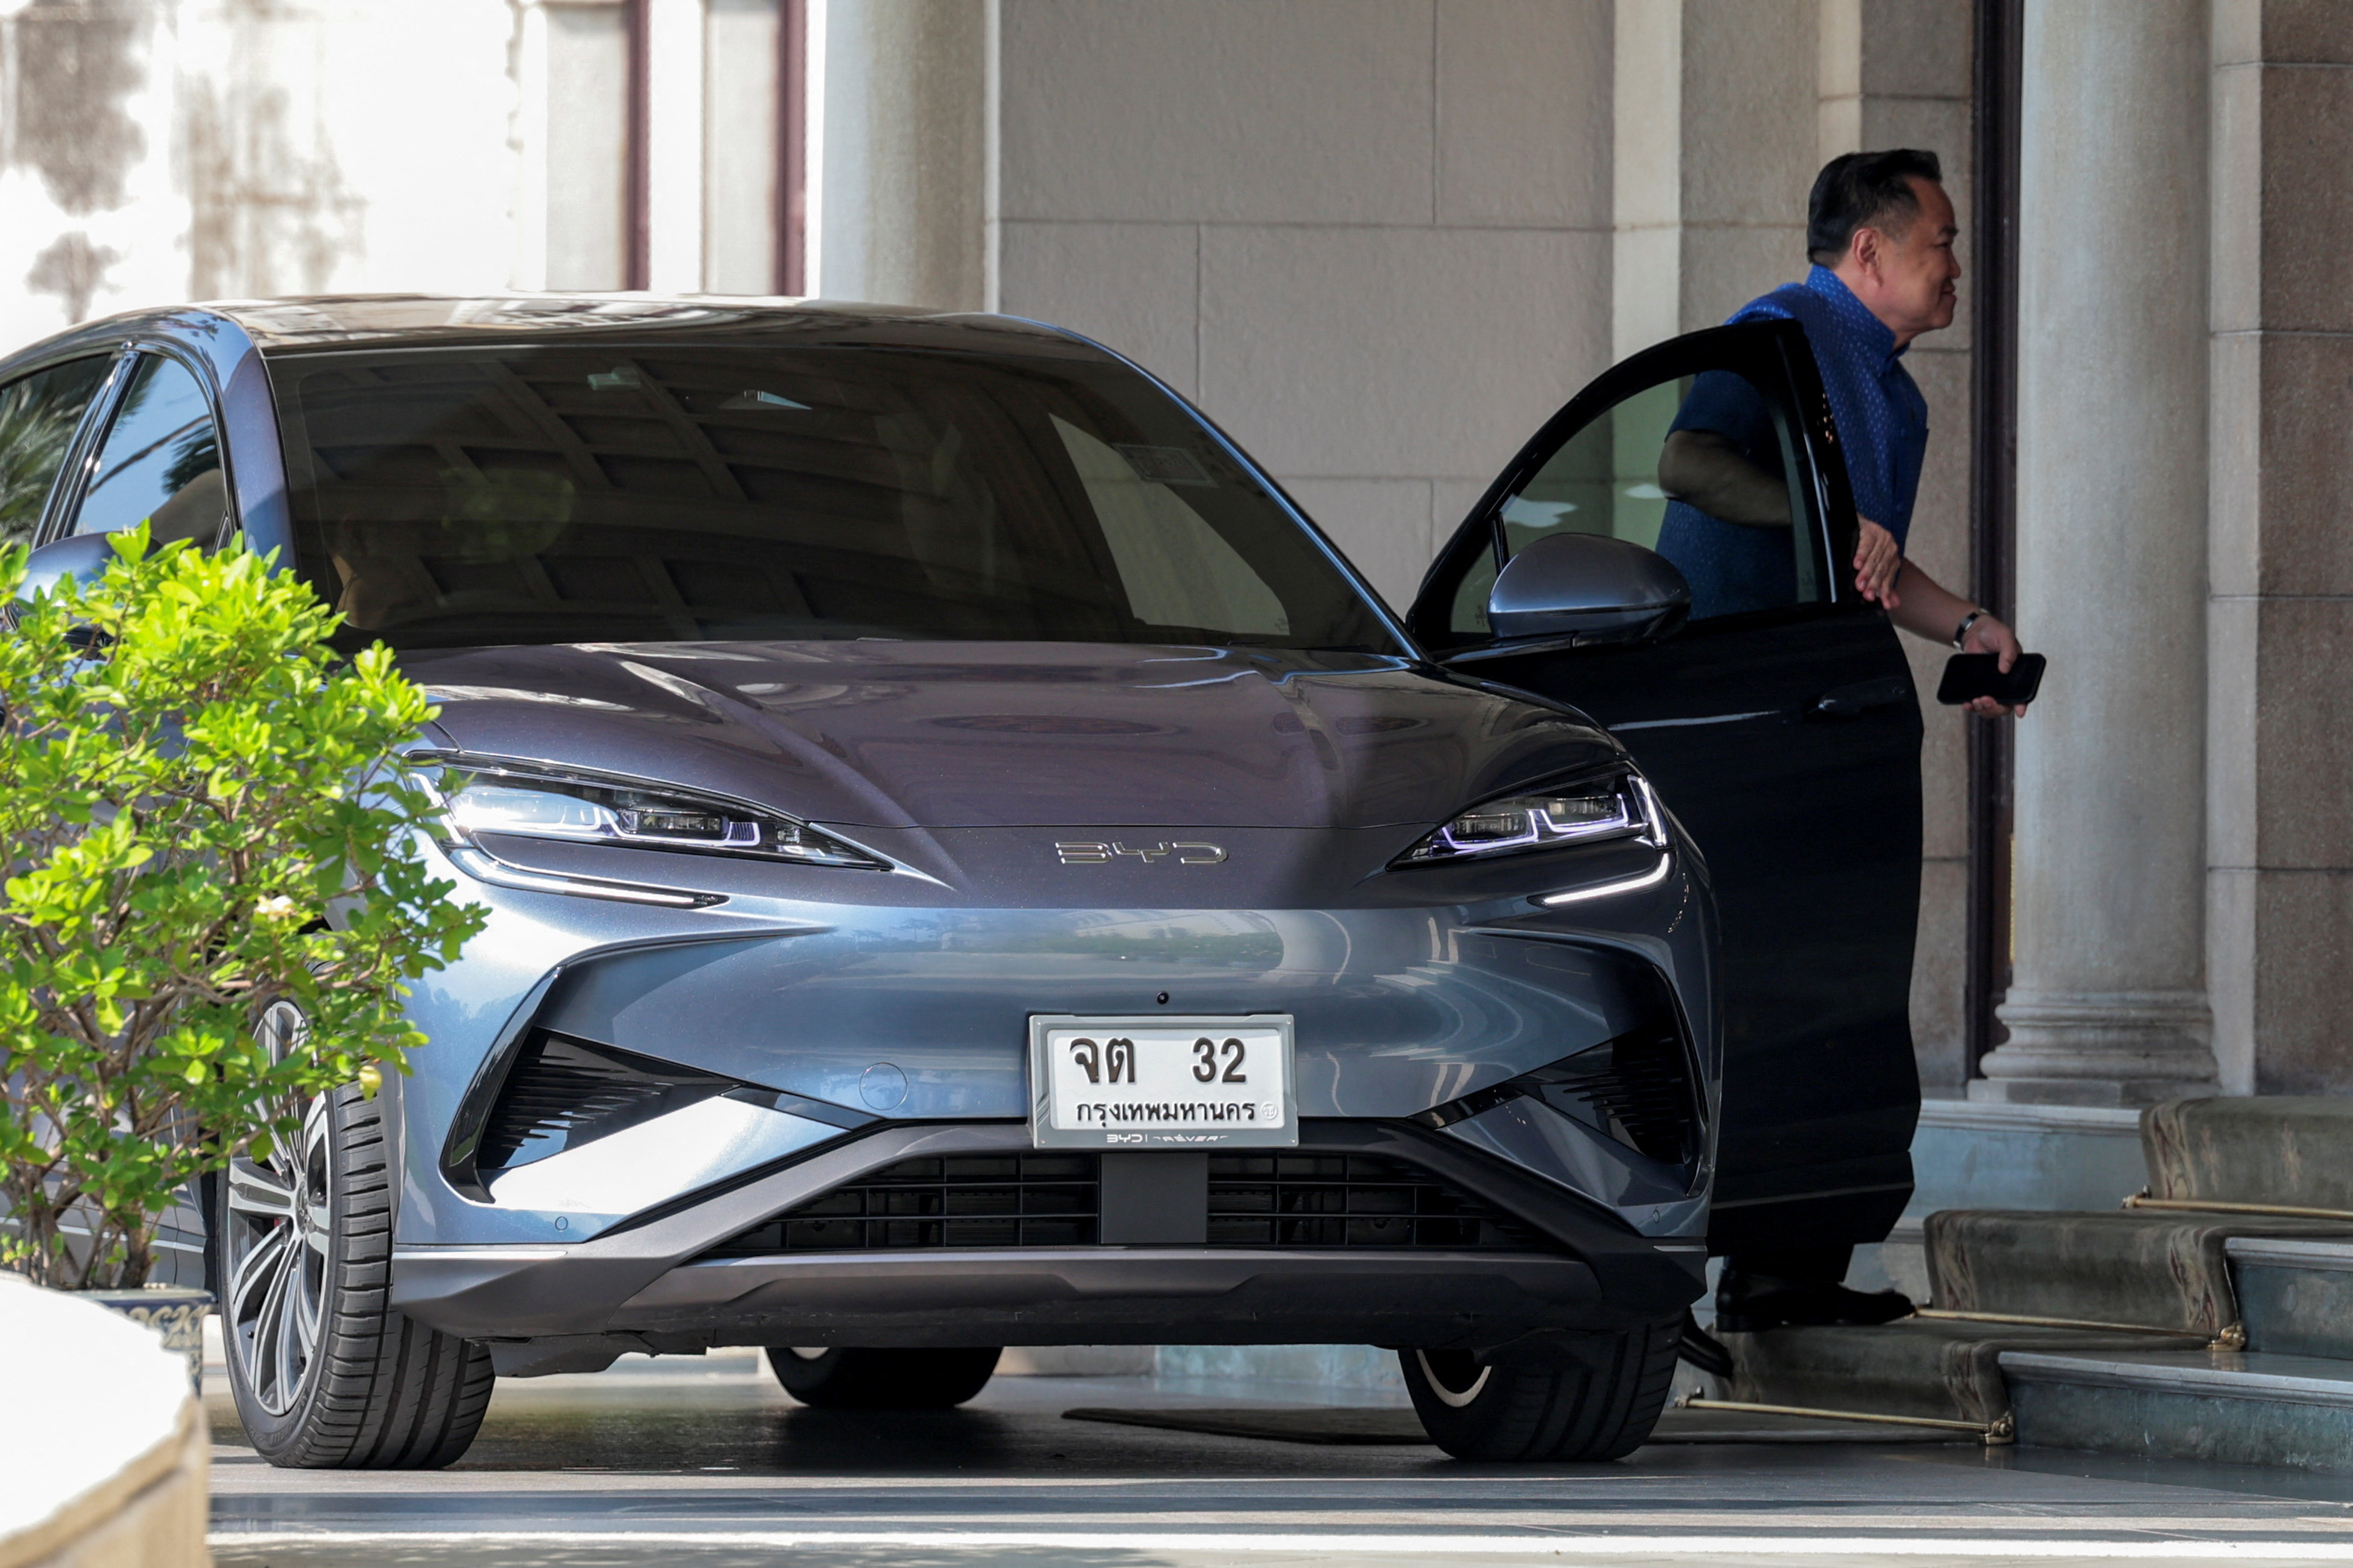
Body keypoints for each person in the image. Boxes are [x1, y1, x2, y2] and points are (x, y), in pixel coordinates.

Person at [1663, 149, 2028, 1350]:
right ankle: (1674, 1269)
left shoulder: (1897, 391)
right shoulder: (1772, 334)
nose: (1955, 264)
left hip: (1832, 716)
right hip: (1744, 715)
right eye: (1939, 241)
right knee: (1747, 986)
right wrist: (1817, 513)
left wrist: (1968, 625)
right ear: (1866, 252)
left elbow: (1868, 559)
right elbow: (1689, 463)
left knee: (1838, 990)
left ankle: (1790, 1269)